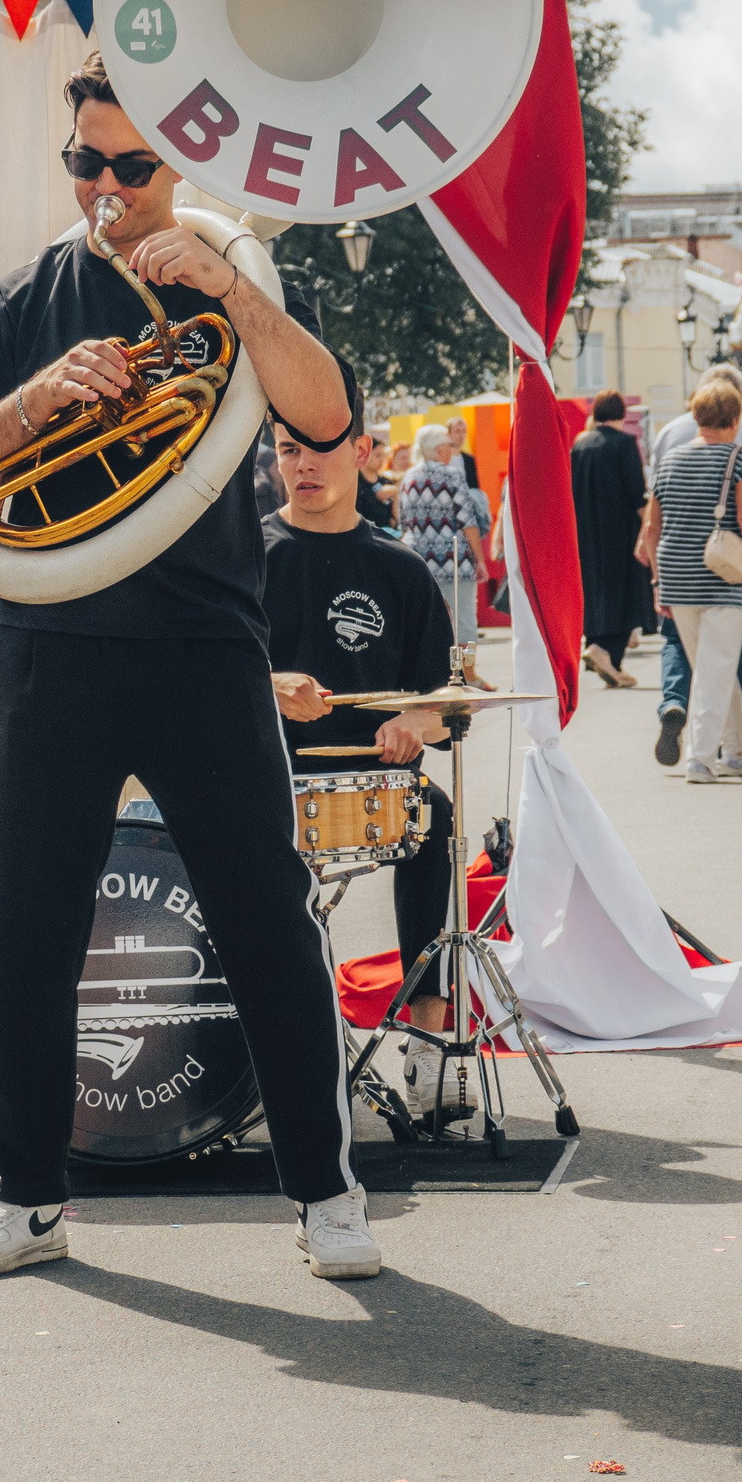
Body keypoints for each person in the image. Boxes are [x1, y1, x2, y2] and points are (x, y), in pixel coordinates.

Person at [0, 50, 373, 1283]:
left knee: (266, 918)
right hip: (48, 644)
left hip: (202, 646)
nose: (106, 189)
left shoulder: (231, 278)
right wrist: (34, 405)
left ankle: (325, 1189)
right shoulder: (21, 300)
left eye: (131, 164)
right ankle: (25, 1195)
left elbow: (325, 418)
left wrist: (233, 292)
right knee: (26, 930)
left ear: (183, 164)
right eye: (85, 162)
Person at [262, 393, 466, 1116]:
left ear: (362, 453)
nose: (302, 465)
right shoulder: (246, 559)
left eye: (319, 449)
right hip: (268, 782)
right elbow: (196, 678)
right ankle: (262, 1045)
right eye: (288, 450)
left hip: (376, 785)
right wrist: (267, 684)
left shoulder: (400, 569)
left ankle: (428, 1042)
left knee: (436, 819)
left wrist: (416, 719)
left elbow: (447, 705)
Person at [639, 383, 742, 782]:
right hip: (722, 575)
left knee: (710, 667)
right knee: (717, 669)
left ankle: (737, 748)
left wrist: (658, 581)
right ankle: (701, 758)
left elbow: (651, 528)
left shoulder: (669, 460)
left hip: (676, 576)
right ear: (735, 419)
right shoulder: (739, 457)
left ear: (696, 416)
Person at [570, 391, 648, 688]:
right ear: (622, 414)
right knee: (625, 593)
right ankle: (604, 652)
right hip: (620, 531)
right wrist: (650, 527)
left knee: (594, 592)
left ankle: (607, 660)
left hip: (585, 533)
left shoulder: (580, 444)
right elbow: (636, 493)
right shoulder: (625, 443)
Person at [397, 424, 486, 649]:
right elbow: (467, 521)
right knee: (463, 619)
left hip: (418, 559)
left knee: (423, 622)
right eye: (449, 445)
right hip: (453, 559)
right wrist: (480, 560)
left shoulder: (409, 477)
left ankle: (431, 666)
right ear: (438, 449)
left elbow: (403, 520)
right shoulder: (452, 475)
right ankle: (467, 667)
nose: (452, 450)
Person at [353, 430, 397, 529]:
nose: (381, 460)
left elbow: (395, 518)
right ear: (365, 454)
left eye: (383, 456)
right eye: (377, 455)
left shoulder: (386, 482)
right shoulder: (355, 482)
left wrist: (396, 493)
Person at [444, 414, 480, 490]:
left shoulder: (470, 460)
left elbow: (474, 487)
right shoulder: (441, 459)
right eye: (457, 431)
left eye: (464, 431)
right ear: (448, 434)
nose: (461, 435)